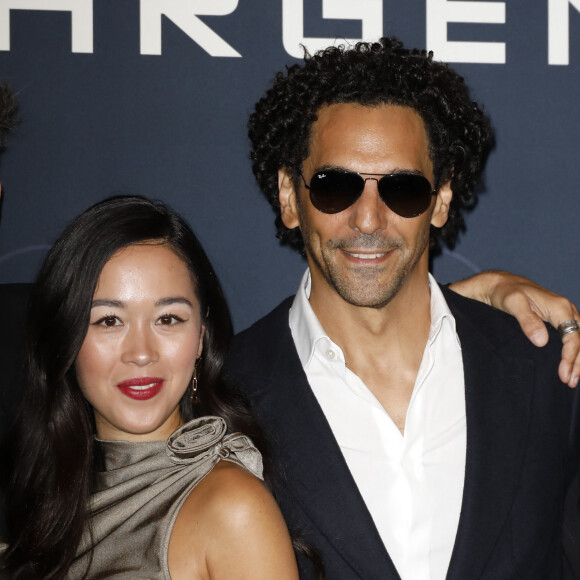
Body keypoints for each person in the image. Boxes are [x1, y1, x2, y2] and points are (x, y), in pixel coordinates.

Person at [227, 37, 580, 579]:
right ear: (288, 197)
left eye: (404, 190)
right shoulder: (223, 396)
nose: (368, 219)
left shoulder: (547, 370)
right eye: (334, 185)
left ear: (439, 200)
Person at [0, 195, 299, 579]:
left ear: (201, 340)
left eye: (168, 319)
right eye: (109, 321)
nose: (141, 353)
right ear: (66, 341)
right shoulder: (45, 501)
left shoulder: (232, 509)